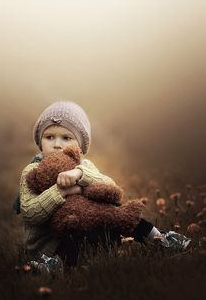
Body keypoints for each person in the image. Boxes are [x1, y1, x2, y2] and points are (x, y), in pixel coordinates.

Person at [15, 101, 191, 273]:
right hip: (50, 245)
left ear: (80, 147)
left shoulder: (85, 166)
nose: (57, 144)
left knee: (117, 211)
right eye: (49, 137)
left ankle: (159, 238)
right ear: (40, 141)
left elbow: (111, 189)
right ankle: (56, 264)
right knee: (73, 224)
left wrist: (79, 177)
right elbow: (30, 213)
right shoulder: (32, 171)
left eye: (66, 137)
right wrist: (61, 190)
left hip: (90, 236)